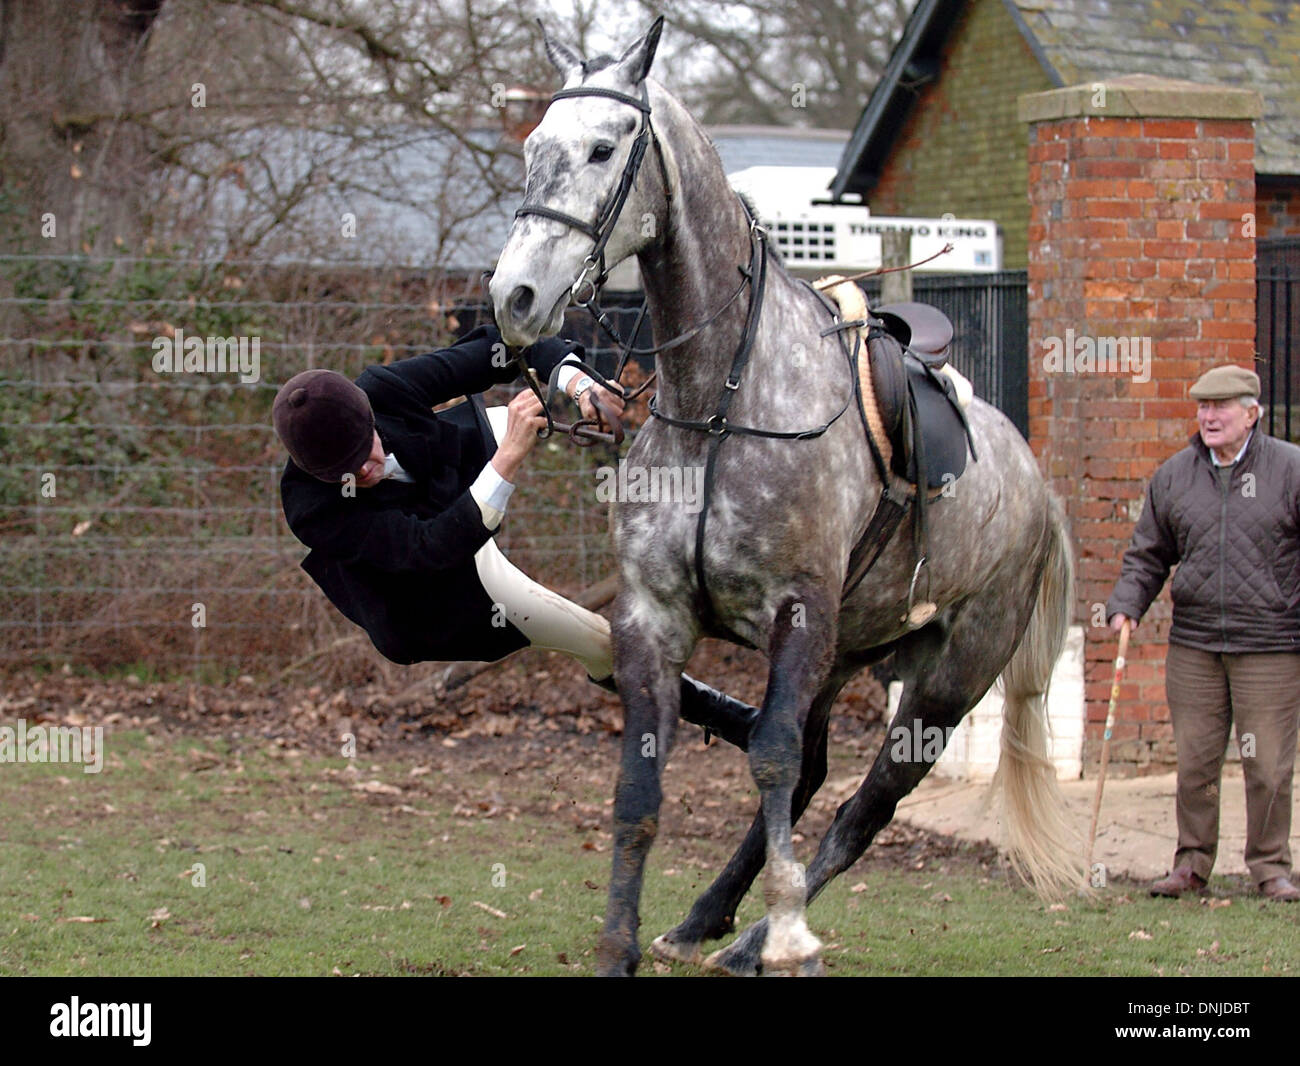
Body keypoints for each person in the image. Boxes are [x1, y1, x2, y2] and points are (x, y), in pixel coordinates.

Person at [272, 322, 757, 749]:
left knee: (527, 402)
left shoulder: (382, 388)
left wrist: (578, 386)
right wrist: (507, 459)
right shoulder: (311, 509)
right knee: (599, 642)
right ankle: (733, 721)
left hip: (450, 480)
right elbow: (429, 549)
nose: (365, 469)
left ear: (371, 416)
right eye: (345, 472)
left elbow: (501, 349)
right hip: (434, 595)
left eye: (366, 449)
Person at [1106, 364, 1300, 902]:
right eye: (1203, 407)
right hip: (1195, 645)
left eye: (1221, 407)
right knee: (1195, 763)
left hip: (1270, 645)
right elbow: (1148, 554)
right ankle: (1191, 864)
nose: (1209, 417)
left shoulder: (1289, 470)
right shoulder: (1174, 475)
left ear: (1251, 413)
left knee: (1267, 766)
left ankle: (1270, 869)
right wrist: (1126, 604)